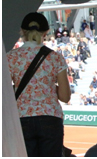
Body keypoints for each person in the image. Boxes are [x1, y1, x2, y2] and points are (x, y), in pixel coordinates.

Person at [6, 12, 71, 157]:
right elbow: (65, 97)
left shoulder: (10, 57)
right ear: (46, 32)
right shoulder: (55, 57)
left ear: (22, 31)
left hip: (21, 118)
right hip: (50, 117)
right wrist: (47, 86)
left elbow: (3, 91)